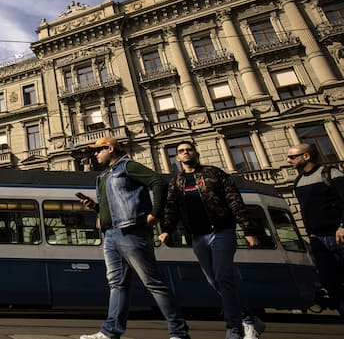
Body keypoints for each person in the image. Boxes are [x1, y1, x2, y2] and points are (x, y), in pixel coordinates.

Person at [79, 137, 191, 339]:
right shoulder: (104, 175)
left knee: (153, 282)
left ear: (110, 148)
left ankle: (179, 333)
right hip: (110, 234)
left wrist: (154, 214)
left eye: (98, 150)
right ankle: (110, 332)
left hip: (130, 233)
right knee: (117, 284)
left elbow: (157, 182)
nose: (94, 154)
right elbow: (115, 206)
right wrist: (95, 208)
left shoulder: (127, 166)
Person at [159, 141, 265, 339]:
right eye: (181, 151)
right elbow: (171, 208)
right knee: (214, 280)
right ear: (177, 158)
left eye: (189, 149)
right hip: (198, 237)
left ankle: (235, 328)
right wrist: (166, 229)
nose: (185, 153)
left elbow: (234, 200)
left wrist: (248, 229)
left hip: (221, 231)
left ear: (195, 153)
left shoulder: (214, 173)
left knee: (223, 277)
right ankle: (249, 318)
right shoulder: (176, 182)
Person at [287, 143, 344, 317]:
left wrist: (342, 226)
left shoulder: (331, 174)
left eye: (292, 156)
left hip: (338, 236)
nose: (288, 160)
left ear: (306, 156)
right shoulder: (299, 181)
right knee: (330, 282)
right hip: (318, 240)